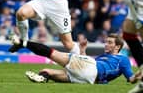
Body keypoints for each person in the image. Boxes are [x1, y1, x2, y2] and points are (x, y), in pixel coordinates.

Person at [9, 33, 142, 84]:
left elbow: (130, 78)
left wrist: (137, 77)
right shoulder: (104, 56)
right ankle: (43, 78)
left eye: (110, 42)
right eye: (106, 41)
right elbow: (86, 65)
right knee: (46, 71)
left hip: (92, 71)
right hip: (87, 78)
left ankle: (22, 43)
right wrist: (83, 50)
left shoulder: (122, 59)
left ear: (118, 47)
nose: (106, 44)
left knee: (52, 53)